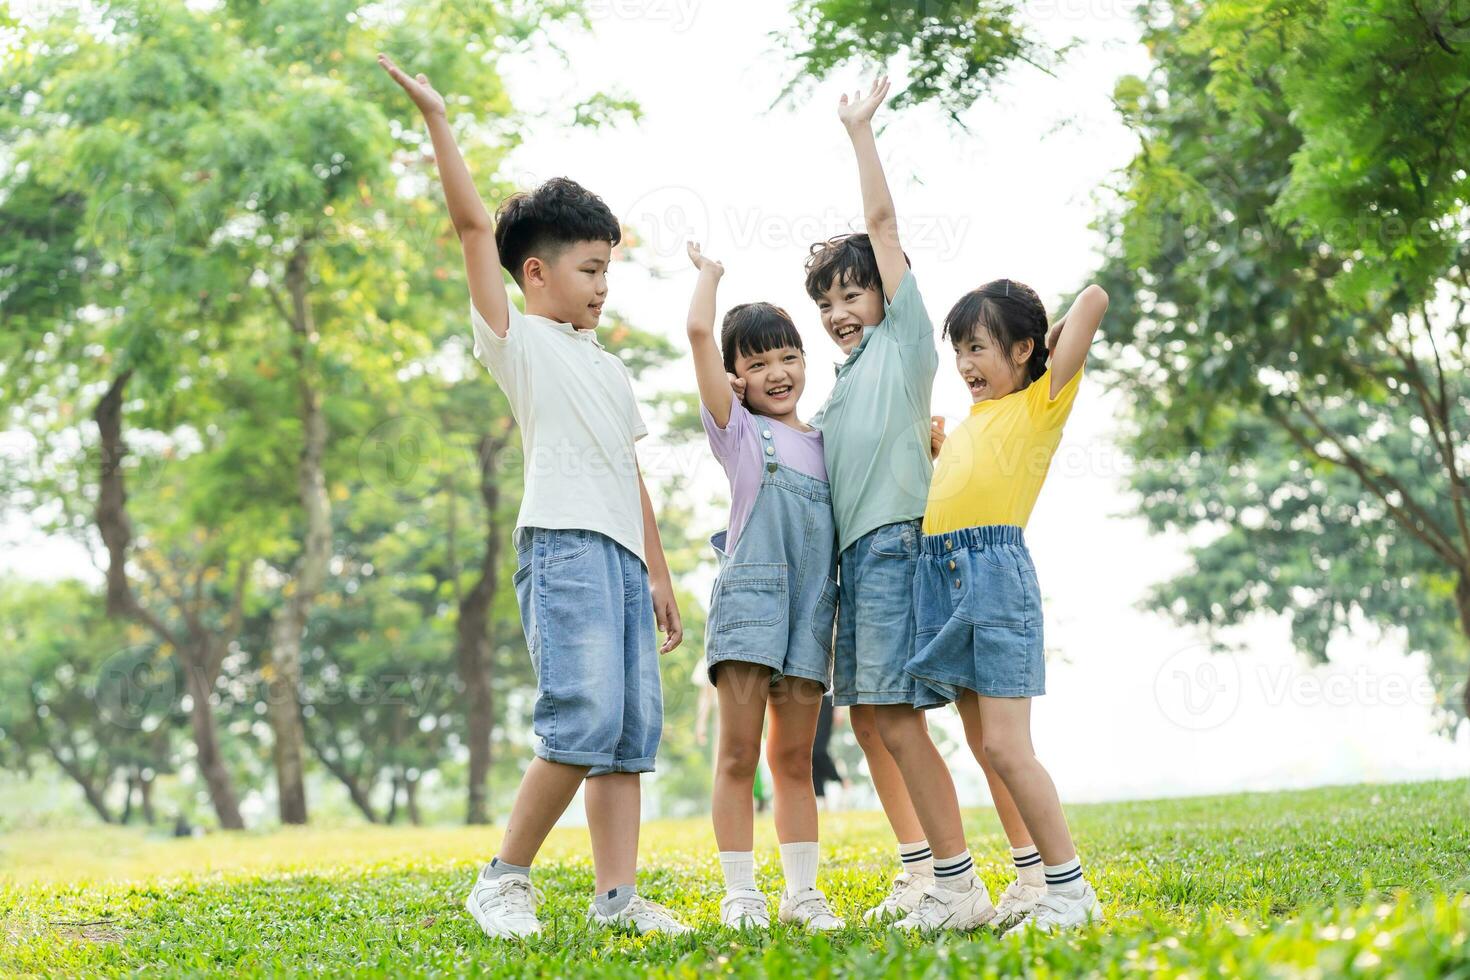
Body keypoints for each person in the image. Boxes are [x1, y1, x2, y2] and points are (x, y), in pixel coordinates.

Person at [379, 53, 690, 939]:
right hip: (562, 547)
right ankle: (503, 878)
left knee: (628, 734)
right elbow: (476, 229)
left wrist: (660, 571)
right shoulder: (515, 339)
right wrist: (439, 119)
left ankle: (617, 900)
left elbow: (632, 476)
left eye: (609, 270)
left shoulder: (611, 366)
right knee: (582, 716)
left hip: (624, 556)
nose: (602, 284)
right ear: (537, 274)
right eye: (590, 268)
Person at [894, 276, 1110, 934]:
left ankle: (1070, 892)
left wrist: (1040, 351)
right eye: (958, 351)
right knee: (986, 746)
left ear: (1020, 350)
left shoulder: (1043, 400)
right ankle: (1031, 879)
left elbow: (1096, 298)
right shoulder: (972, 422)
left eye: (978, 348)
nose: (964, 365)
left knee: (1011, 749)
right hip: (944, 578)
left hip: (994, 579)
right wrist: (942, 450)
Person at [803, 76, 941, 922]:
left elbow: (882, 228)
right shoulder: (838, 392)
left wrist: (859, 133)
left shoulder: (903, 345)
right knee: (866, 725)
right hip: (859, 562)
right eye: (825, 301)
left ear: (886, 296)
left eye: (852, 293)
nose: (839, 310)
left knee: (897, 720)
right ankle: (918, 863)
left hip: (897, 544)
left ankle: (948, 874)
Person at [686, 242, 844, 931]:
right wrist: (710, 278)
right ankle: (741, 891)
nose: (777, 373)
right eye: (756, 363)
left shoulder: (829, 441)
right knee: (739, 754)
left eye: (787, 357)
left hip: (811, 614)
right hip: (750, 612)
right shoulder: (739, 433)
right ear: (736, 378)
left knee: (793, 758)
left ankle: (802, 894)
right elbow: (697, 333)